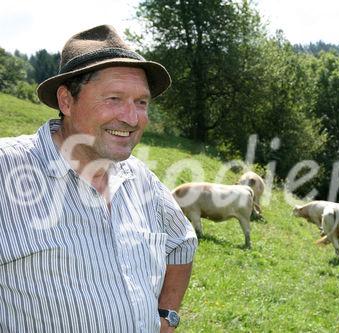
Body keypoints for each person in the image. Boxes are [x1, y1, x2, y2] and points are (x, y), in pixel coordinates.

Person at [0, 25, 198, 332]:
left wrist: (166, 316)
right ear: (66, 101)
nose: (132, 119)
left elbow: (182, 243)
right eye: (114, 99)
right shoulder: (6, 171)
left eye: (141, 102)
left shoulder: (140, 178)